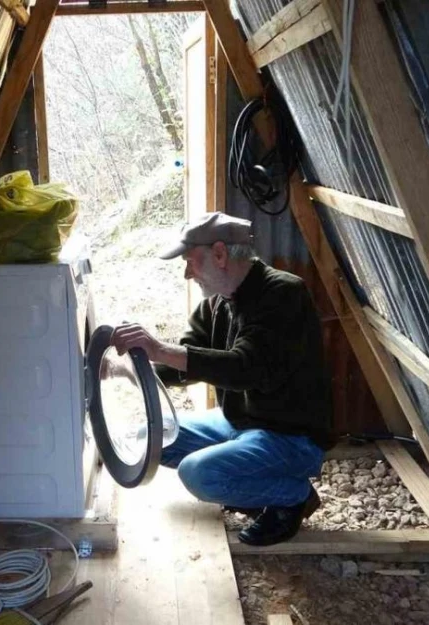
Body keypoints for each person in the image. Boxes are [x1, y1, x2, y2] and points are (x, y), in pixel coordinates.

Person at [111, 213, 333, 546]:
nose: (187, 273)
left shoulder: (284, 294)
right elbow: (182, 363)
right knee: (150, 438)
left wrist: (159, 348)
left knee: (198, 473)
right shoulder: (217, 304)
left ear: (219, 254)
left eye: (190, 261)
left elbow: (245, 368)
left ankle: (293, 495)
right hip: (239, 422)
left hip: (290, 436)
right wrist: (123, 370)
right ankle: (256, 480)